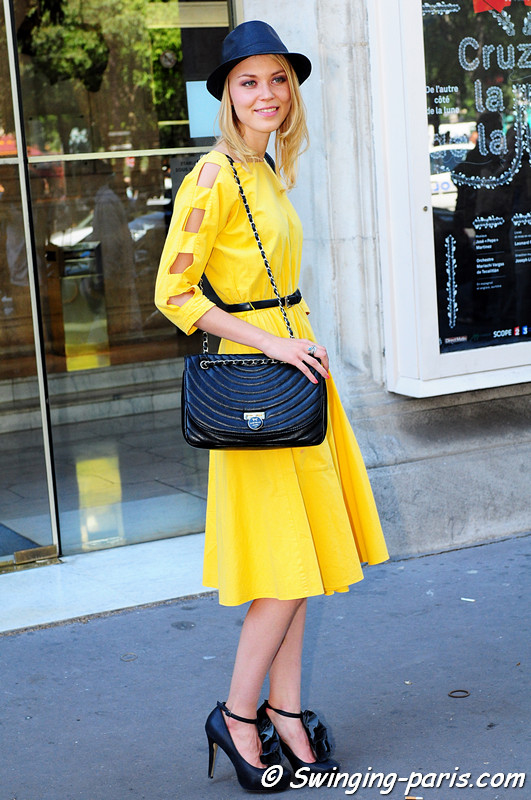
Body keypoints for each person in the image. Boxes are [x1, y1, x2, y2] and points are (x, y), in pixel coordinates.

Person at [154, 20, 389, 793]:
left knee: (298, 561)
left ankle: (285, 712)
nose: (267, 93)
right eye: (248, 81)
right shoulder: (213, 177)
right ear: (225, 94)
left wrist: (292, 346)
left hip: (292, 373)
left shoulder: (266, 169)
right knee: (285, 567)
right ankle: (236, 714)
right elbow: (174, 294)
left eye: (278, 79)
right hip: (258, 387)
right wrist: (272, 344)